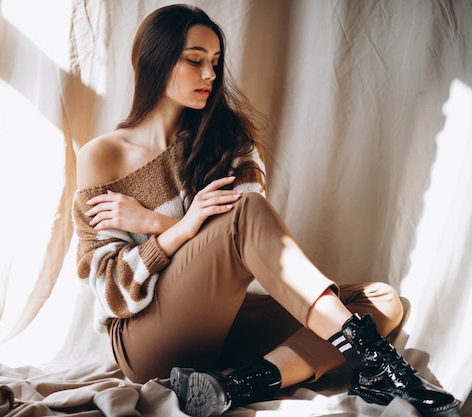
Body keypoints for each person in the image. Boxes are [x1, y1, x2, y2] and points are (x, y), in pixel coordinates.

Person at [72, 4, 460, 417]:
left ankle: (231, 386)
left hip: (227, 324)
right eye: (195, 61)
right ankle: (380, 366)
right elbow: (111, 292)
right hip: (147, 341)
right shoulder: (103, 157)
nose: (210, 75)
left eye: (216, 63)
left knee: (382, 301)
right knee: (247, 213)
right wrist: (179, 231)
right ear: (156, 61)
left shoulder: (229, 140)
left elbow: (252, 251)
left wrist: (158, 224)